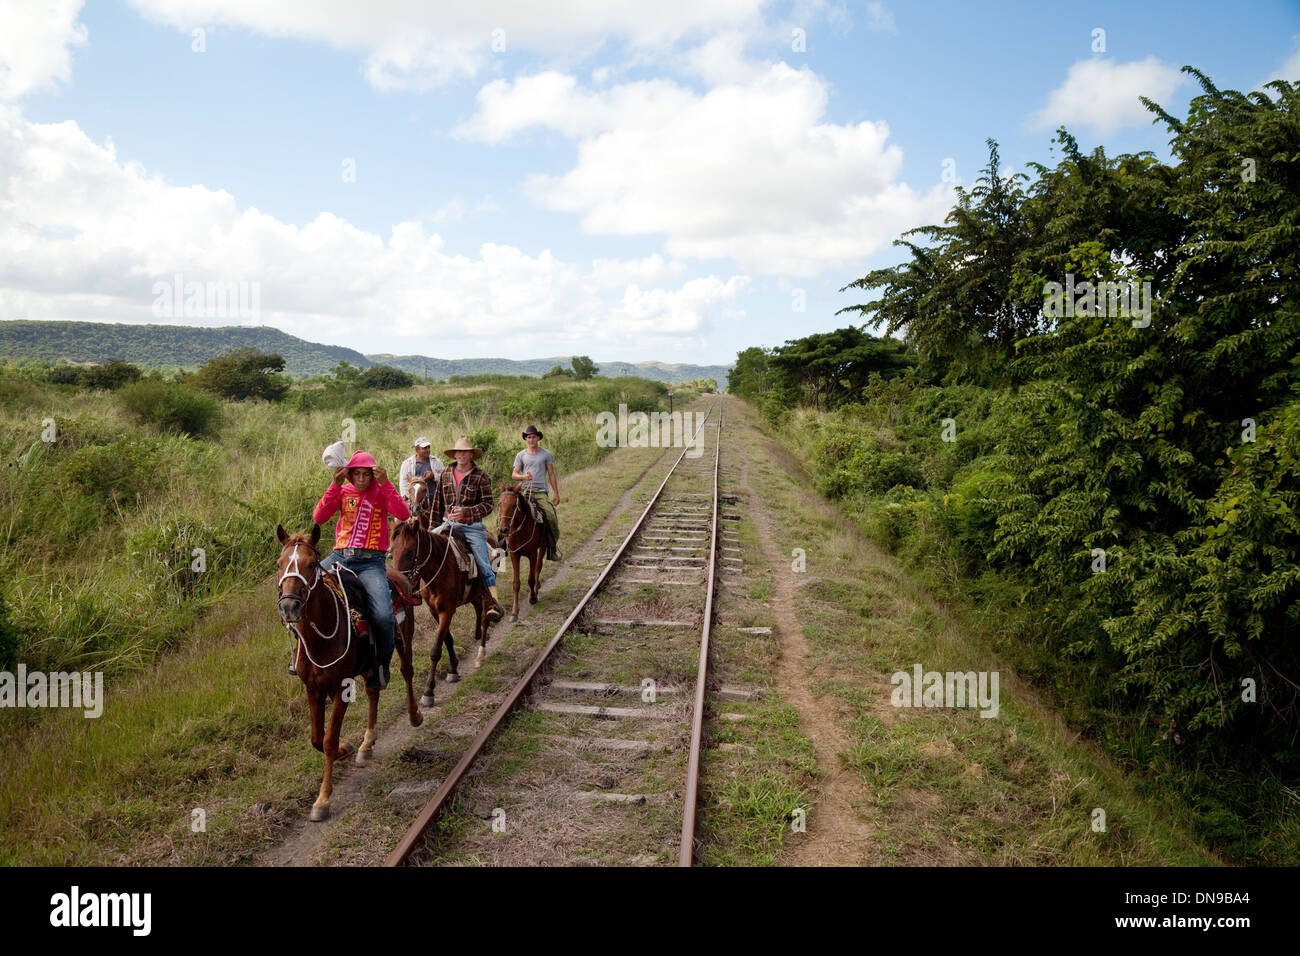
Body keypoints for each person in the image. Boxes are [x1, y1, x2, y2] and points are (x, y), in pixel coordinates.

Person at [312, 451, 410, 690]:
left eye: (367, 474)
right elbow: (319, 517)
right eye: (357, 474)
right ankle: (300, 656)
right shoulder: (343, 492)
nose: (362, 479)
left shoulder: (382, 492)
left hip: (371, 562)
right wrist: (334, 486)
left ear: (374, 475)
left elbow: (403, 514)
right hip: (340, 556)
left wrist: (387, 484)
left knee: (383, 616)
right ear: (350, 475)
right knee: (304, 589)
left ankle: (381, 666)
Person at [427, 436, 506, 624]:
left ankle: (492, 601)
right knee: (423, 548)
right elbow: (437, 503)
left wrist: (467, 511)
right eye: (459, 452)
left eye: (466, 452)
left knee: (484, 563)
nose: (462, 455)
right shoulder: (446, 473)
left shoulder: (481, 476)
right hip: (447, 523)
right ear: (454, 454)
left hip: (472, 527)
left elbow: (488, 505)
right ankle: (415, 590)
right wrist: (431, 527)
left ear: (471, 454)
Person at [511, 424, 561, 561]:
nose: (531, 440)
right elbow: (514, 474)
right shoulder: (521, 455)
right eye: (528, 437)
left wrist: (556, 493)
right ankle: (504, 544)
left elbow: (551, 474)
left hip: (540, 492)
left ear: (538, 438)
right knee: (507, 514)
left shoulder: (546, 454)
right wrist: (523, 477)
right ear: (525, 439)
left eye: (533, 437)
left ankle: (552, 548)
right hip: (525, 491)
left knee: (551, 516)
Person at [399, 436, 443, 505]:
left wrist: (434, 476)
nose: (428, 450)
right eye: (424, 448)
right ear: (417, 450)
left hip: (434, 498)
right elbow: (403, 482)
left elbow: (444, 477)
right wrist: (405, 496)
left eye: (428, 447)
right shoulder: (407, 463)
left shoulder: (436, 462)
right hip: (416, 501)